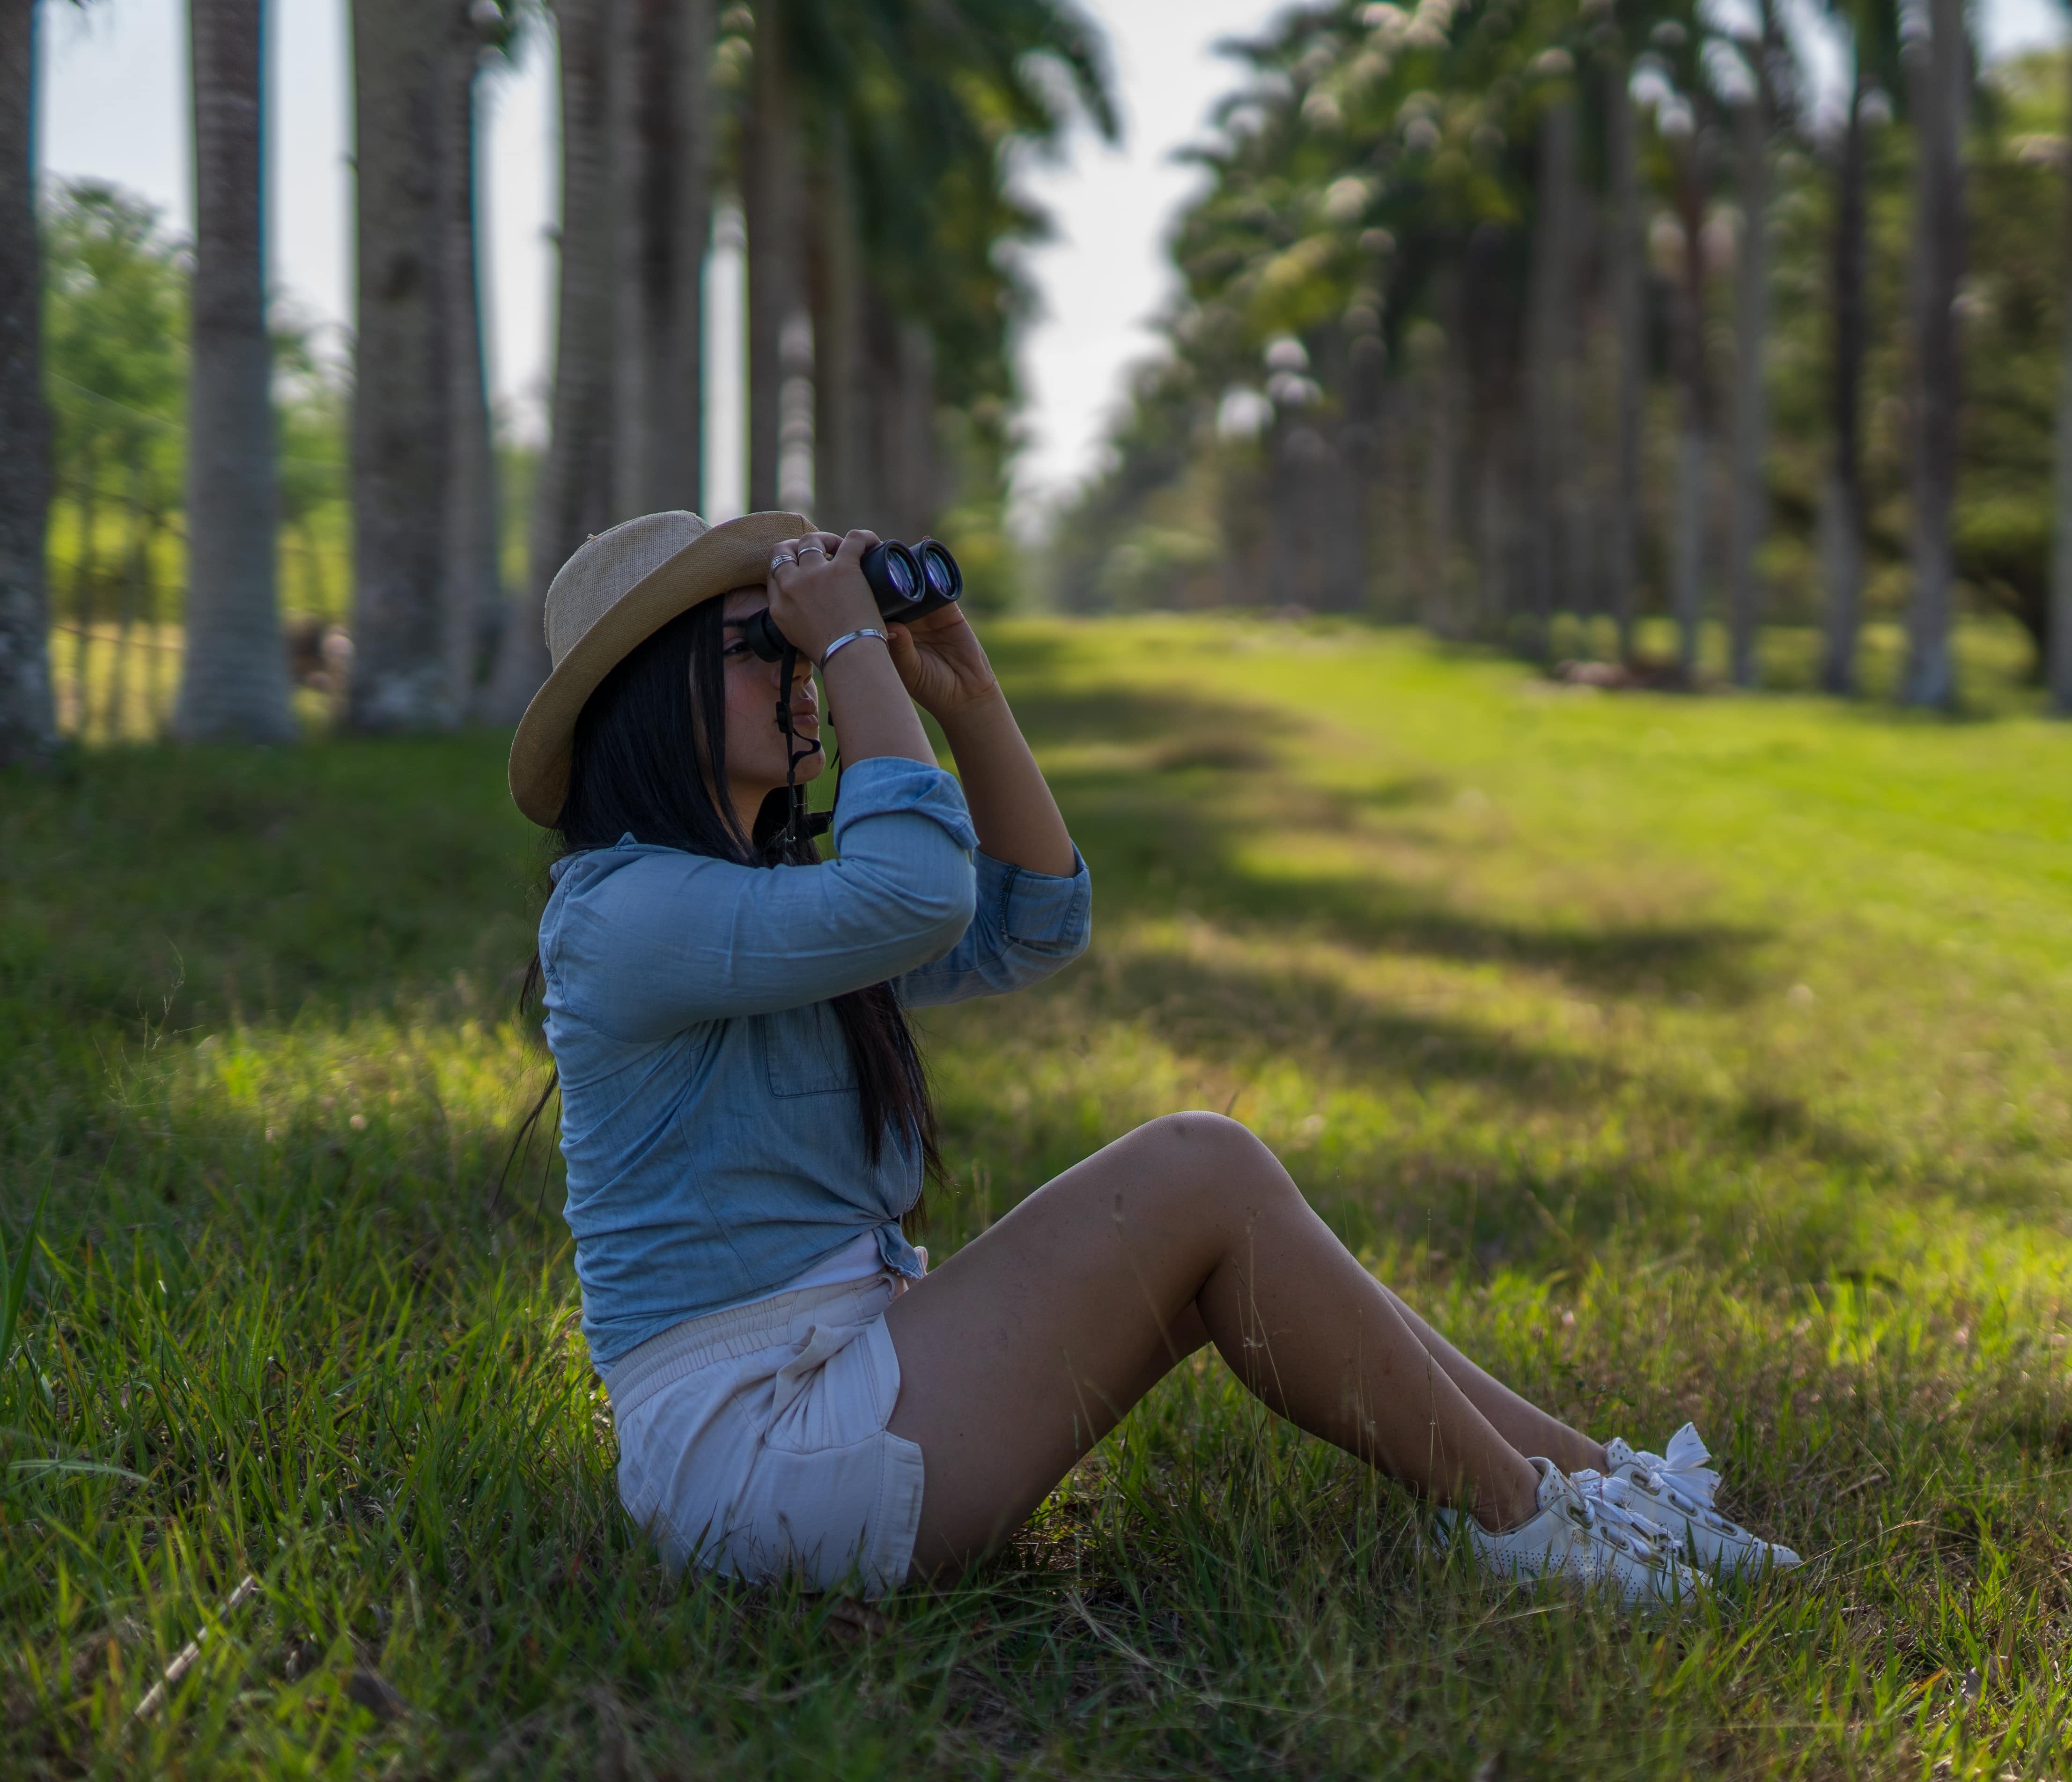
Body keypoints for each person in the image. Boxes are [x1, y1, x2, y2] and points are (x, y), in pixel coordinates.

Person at [509, 510, 1799, 1607]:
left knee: (1210, 1249)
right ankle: (1536, 1531)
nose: (801, 677)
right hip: (752, 1461)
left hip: (840, 1397)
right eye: (762, 648)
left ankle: (1613, 1498)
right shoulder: (625, 915)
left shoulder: (763, 898)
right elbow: (914, 896)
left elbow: (1026, 921)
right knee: (1202, 1164)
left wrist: (971, 699)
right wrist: (853, 644)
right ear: (650, 698)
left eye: (800, 645)